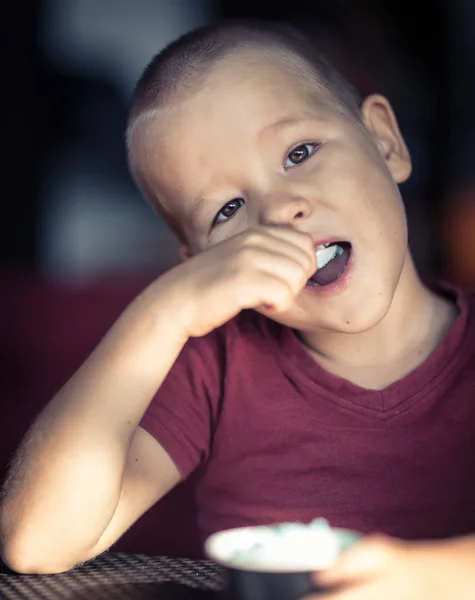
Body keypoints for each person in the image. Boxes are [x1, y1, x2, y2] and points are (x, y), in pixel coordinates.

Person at [0, 20, 474, 598]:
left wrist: (432, 579)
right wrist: (165, 309)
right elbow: (37, 541)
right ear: (201, 261)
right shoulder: (218, 365)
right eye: (227, 210)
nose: (280, 210)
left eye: (299, 152)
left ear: (384, 141)